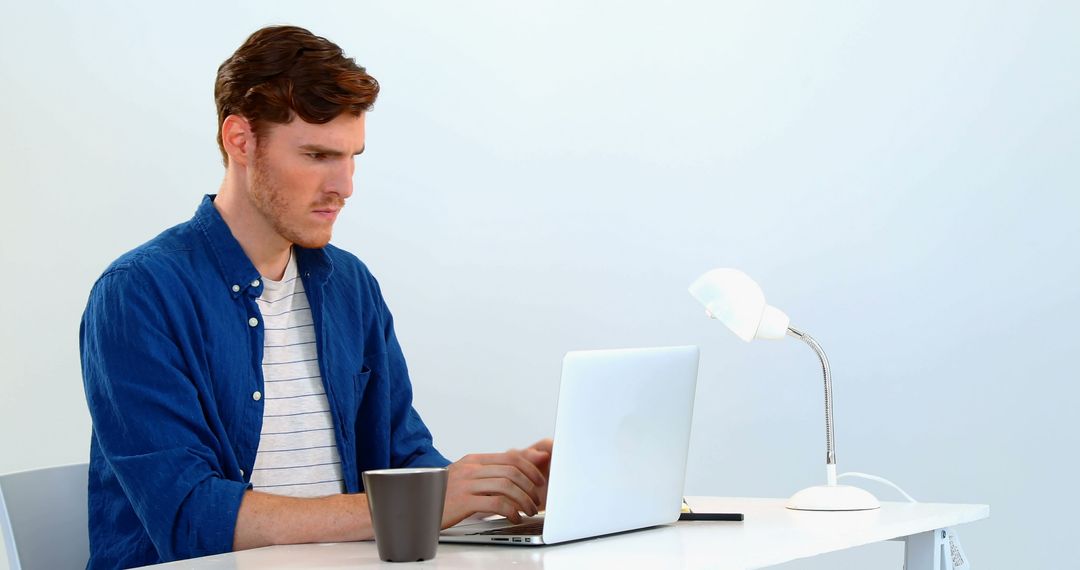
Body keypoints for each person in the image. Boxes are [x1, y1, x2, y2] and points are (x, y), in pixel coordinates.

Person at [80, 25, 551, 569]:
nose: (344, 186)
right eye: (317, 155)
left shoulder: (350, 286)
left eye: (353, 157)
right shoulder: (139, 294)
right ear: (240, 141)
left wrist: (499, 490)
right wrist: (427, 498)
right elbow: (191, 517)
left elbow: (401, 458)